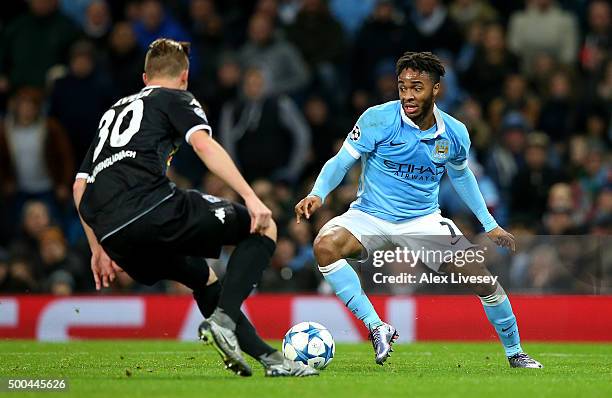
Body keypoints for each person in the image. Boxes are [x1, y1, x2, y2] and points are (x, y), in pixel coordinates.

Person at [73, 38, 317, 378]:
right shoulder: (176, 97)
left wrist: (96, 247)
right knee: (264, 226)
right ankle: (223, 320)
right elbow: (202, 144)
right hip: (152, 207)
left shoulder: (112, 112)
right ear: (184, 76)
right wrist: (250, 196)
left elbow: (79, 185)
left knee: (204, 277)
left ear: (145, 77)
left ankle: (270, 359)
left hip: (112, 234)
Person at [295, 51, 543, 368]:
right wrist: (318, 193)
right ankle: (376, 326)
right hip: (370, 215)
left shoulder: (454, 133)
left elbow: (462, 176)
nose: (408, 95)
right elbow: (342, 161)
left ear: (436, 89)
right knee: (325, 246)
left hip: (423, 221)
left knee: (482, 281)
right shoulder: (377, 118)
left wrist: (489, 224)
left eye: (417, 87)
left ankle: (516, 353)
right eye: (402, 87)